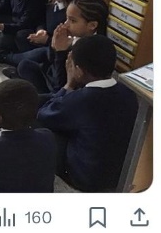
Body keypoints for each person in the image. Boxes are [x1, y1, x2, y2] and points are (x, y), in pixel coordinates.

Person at [38, 35, 138, 192]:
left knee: (40, 127)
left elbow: (44, 115)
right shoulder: (130, 93)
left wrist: (68, 84)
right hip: (119, 176)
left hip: (84, 179)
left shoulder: (81, 99)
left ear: (78, 71)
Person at [16, 0, 110, 98]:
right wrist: (53, 46)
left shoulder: (92, 51)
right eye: (67, 18)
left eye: (72, 20)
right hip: (53, 78)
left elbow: (62, 86)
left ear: (92, 25)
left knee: (29, 100)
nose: (66, 24)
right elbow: (51, 62)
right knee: (25, 66)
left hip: (65, 92)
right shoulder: (75, 36)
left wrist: (60, 52)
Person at [1, 0, 82, 76]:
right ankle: (25, 65)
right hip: (44, 41)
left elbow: (66, 43)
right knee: (22, 36)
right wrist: (41, 30)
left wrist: (47, 40)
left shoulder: (70, 14)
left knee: (42, 53)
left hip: (55, 50)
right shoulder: (52, 4)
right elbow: (42, 19)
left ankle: (7, 58)